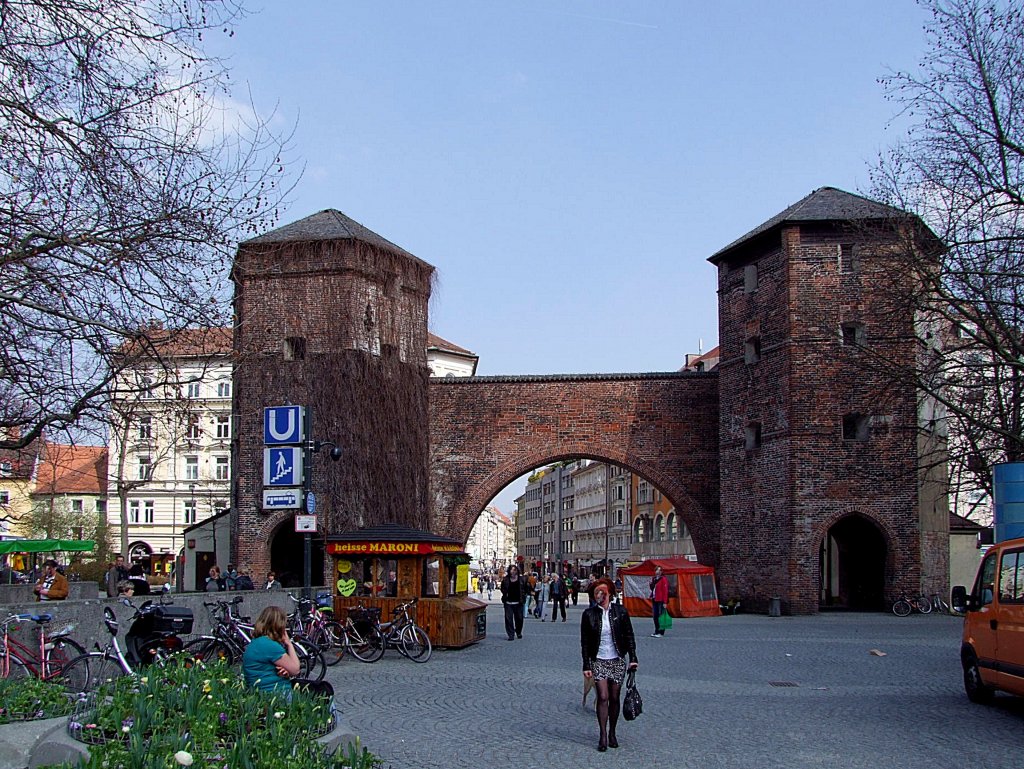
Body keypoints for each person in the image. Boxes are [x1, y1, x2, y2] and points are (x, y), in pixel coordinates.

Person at [581, 576, 638, 752]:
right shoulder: (589, 614)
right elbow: (584, 642)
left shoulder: (620, 612)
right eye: (598, 592)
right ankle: (603, 734)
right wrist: (586, 665)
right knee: (603, 697)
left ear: (610, 593)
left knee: (614, 697)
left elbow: (629, 635)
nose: (601, 594)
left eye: (604, 591)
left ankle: (613, 731)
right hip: (598, 659)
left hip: (617, 659)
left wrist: (633, 658)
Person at [242, 605, 301, 696]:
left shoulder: (256, 642)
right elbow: (296, 670)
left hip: (261, 692)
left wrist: (286, 672)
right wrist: (289, 644)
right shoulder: (270, 645)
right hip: (275, 692)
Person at [499, 565, 526, 640]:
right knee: (508, 619)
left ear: (517, 571)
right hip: (508, 603)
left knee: (519, 619)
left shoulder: (522, 579)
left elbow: (525, 589)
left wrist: (524, 596)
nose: (513, 571)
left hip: (519, 602)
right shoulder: (506, 579)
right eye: (511, 570)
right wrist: (505, 594)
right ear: (509, 571)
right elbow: (502, 589)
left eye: (514, 570)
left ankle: (518, 631)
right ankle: (511, 634)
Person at [649, 565, 668, 637]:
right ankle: (656, 631)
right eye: (656, 570)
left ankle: (661, 632)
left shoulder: (663, 579)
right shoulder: (654, 579)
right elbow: (652, 589)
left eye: (659, 570)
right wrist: (651, 585)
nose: (657, 572)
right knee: (655, 615)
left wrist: (665, 602)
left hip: (661, 599)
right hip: (654, 598)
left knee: (661, 615)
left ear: (661, 572)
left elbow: (665, 591)